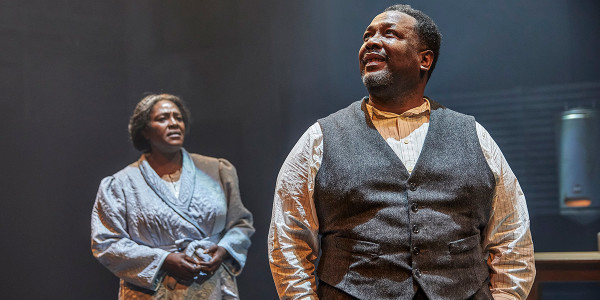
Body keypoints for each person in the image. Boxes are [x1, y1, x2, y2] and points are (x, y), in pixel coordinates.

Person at [269, 4, 535, 300]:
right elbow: (288, 242)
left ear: (424, 59)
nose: (371, 41)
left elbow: (512, 235)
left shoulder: (474, 135)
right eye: (367, 35)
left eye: (389, 33)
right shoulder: (320, 138)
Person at [91, 94, 254, 299]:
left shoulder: (217, 170)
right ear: (144, 130)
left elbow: (240, 224)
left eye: (178, 118)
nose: (174, 123)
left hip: (212, 286)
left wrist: (223, 250)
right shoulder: (121, 184)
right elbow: (106, 242)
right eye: (162, 119)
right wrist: (164, 259)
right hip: (153, 290)